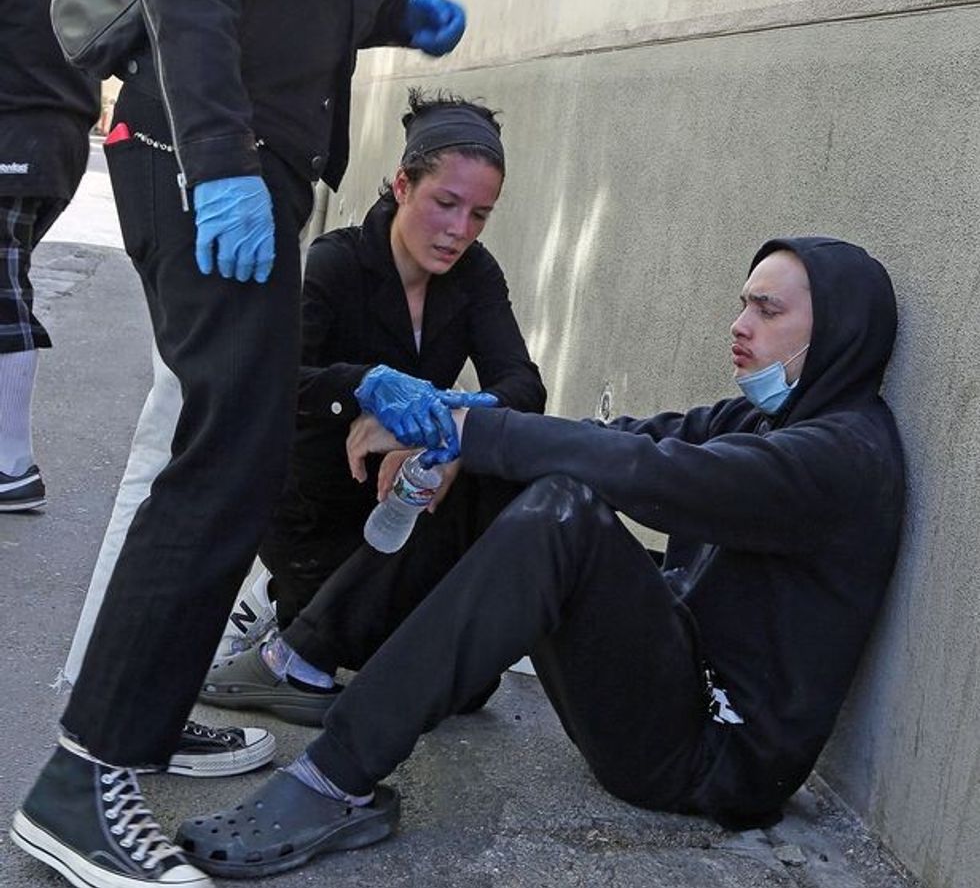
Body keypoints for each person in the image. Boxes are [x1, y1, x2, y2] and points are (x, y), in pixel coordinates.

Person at [10, 0, 658, 887]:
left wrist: (396, 7)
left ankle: (139, 719)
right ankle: (79, 778)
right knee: (230, 453)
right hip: (191, 154)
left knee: (232, 448)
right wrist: (219, 170)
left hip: (246, 159)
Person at [170, 236, 904, 880]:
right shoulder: (767, 414)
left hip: (713, 756)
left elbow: (656, 477)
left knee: (560, 510)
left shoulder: (842, 459)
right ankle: (304, 653)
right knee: (502, 467)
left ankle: (334, 777)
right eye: (743, 303)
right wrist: (458, 426)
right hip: (673, 671)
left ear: (836, 331)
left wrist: (472, 429)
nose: (740, 326)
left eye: (768, 311)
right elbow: (624, 435)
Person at [200, 88, 546, 723]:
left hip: (402, 502)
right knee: (382, 659)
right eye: (446, 203)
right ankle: (281, 621)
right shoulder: (335, 263)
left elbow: (523, 385)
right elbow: (268, 380)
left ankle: (287, 611)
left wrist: (441, 431)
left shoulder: (475, 275)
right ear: (403, 184)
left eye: (479, 215)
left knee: (469, 691)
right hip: (311, 503)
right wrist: (364, 385)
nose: (459, 231)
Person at [0, 0, 98, 514]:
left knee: (3, 295)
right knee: (8, 281)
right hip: (62, 142)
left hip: (9, 131)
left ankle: (11, 465)